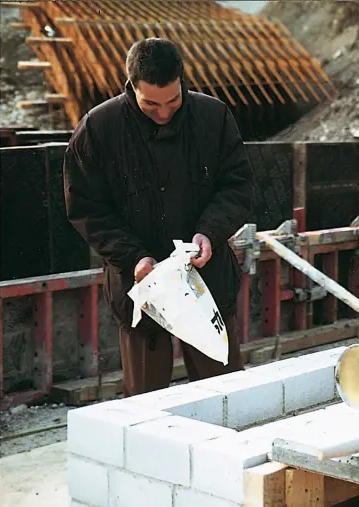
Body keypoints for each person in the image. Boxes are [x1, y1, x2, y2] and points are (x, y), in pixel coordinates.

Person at [64, 38, 255, 396]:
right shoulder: (97, 130)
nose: (164, 113)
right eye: (150, 104)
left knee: (225, 396)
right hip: (139, 287)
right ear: (131, 85)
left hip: (207, 281)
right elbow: (88, 210)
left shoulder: (213, 117)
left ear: (182, 80)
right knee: (148, 408)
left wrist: (209, 234)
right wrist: (133, 256)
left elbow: (237, 186)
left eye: (173, 101)